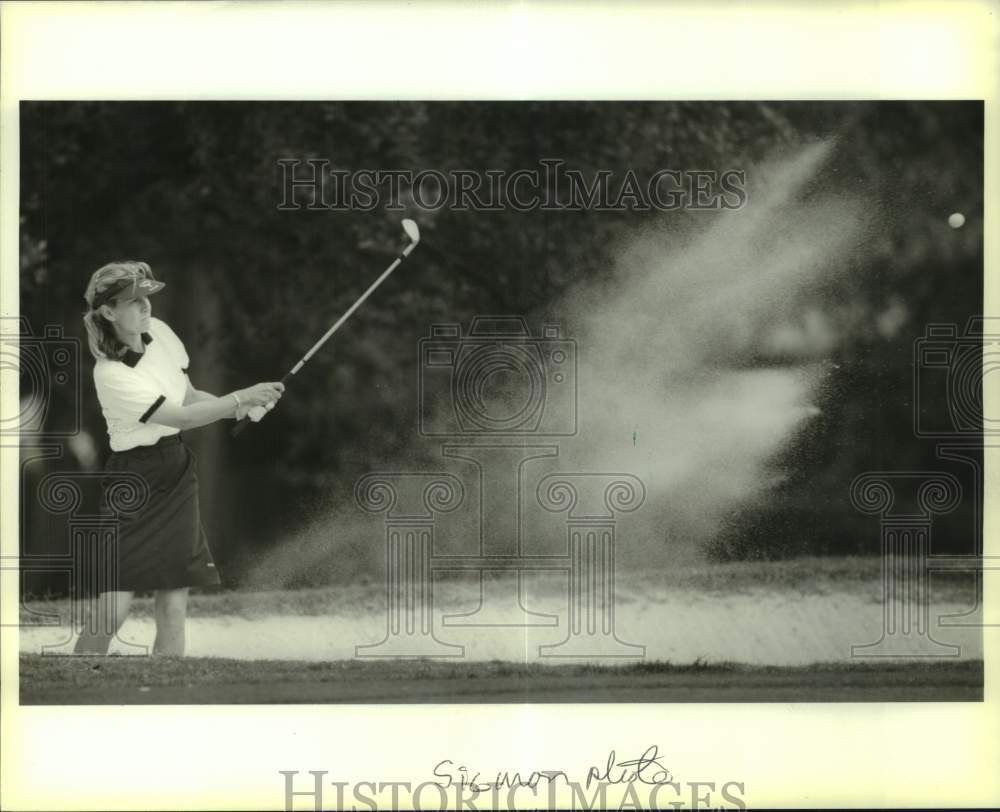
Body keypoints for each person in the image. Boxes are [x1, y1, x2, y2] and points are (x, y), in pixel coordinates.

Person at [74, 260, 284, 656]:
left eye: (146, 298)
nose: (145, 307)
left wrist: (239, 407)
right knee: (115, 606)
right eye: (133, 301)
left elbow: (188, 397)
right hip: (133, 481)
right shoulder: (111, 374)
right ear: (108, 312)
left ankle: (167, 694)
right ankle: (79, 678)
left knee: (173, 603)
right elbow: (183, 417)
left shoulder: (162, 334)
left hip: (175, 470)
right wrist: (239, 398)